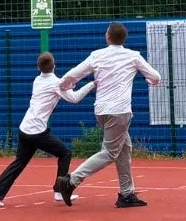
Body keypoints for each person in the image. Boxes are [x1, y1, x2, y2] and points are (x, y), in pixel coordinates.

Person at [55, 22, 161, 209]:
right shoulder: (133, 56)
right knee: (110, 153)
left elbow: (72, 75)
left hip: (101, 111)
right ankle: (71, 181)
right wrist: (150, 81)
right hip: (119, 111)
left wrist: (64, 86)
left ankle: (126, 194)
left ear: (108, 37)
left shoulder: (97, 55)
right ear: (123, 38)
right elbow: (156, 76)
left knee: (124, 148)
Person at [0, 53, 95, 208]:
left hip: (24, 128)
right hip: (37, 132)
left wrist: (69, 85)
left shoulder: (37, 80)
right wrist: (91, 85)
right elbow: (74, 98)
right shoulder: (56, 83)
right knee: (65, 153)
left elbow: (62, 87)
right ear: (54, 65)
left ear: (38, 67)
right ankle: (59, 191)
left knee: (19, 162)